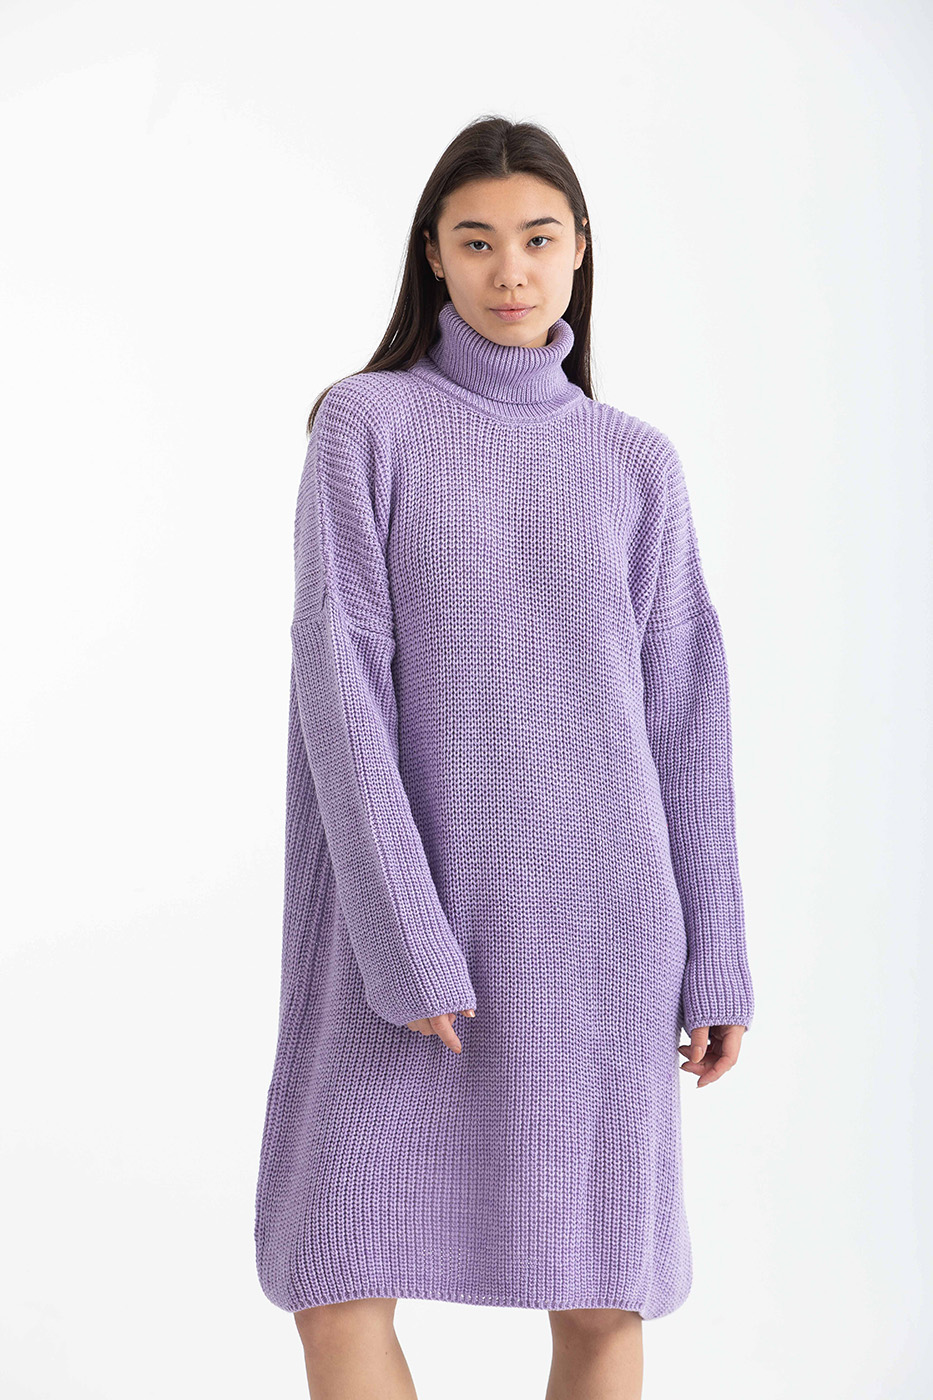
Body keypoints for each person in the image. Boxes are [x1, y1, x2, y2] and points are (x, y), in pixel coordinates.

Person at [253, 114, 756, 1400]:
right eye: (476, 242)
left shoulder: (634, 461)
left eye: (537, 239)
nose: (511, 271)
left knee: (600, 1289)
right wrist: (403, 938)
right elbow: (339, 683)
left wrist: (718, 951)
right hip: (400, 926)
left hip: (600, 927)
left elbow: (686, 712)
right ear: (433, 254)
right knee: (336, 1270)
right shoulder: (365, 426)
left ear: (581, 247)